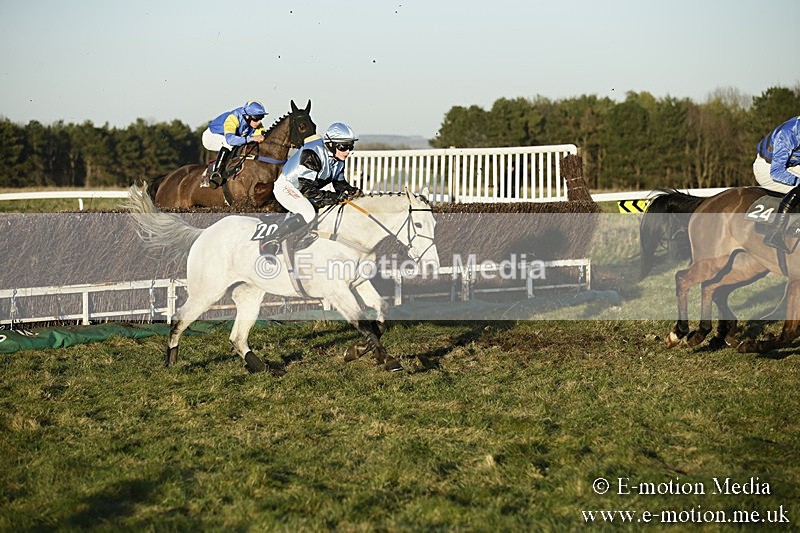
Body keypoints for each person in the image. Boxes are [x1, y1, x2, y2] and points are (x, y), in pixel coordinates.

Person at [260, 122, 362, 256]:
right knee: (308, 213)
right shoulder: (312, 153)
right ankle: (270, 241)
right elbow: (307, 190)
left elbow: (339, 183)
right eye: (344, 147)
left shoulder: (338, 159)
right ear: (330, 144)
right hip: (289, 187)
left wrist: (351, 191)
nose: (348, 151)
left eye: (350, 146)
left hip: (305, 189)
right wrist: (334, 197)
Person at [753, 116, 800, 252]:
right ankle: (775, 233)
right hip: (768, 169)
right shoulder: (788, 134)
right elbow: (777, 172)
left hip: (791, 164)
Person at [200, 100, 268, 187]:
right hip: (211, 136)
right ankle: (216, 173)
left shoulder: (256, 123)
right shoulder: (233, 118)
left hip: (228, 138)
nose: (259, 122)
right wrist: (252, 138)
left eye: (261, 117)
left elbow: (262, 138)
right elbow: (230, 140)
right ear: (247, 116)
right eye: (256, 118)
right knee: (230, 144)